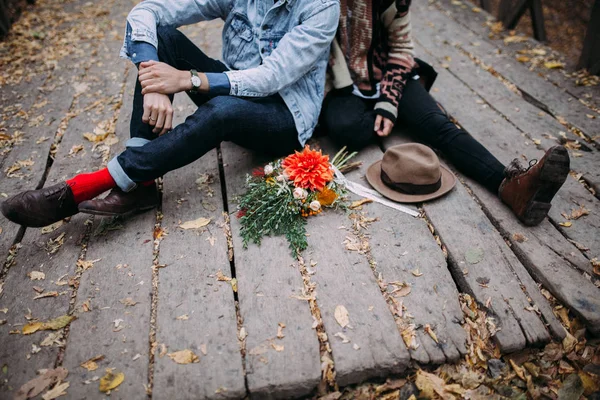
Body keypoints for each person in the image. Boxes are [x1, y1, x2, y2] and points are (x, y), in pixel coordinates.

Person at [1, 0, 340, 227]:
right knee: (162, 37)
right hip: (233, 93)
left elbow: (272, 78)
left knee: (221, 110)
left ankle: (82, 188)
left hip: (284, 117)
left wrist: (185, 79)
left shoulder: (321, 7)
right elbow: (149, 11)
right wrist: (154, 82)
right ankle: (142, 184)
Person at [320, 0, 570, 226]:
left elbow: (401, 48)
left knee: (439, 126)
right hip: (344, 86)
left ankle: (513, 187)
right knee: (345, 129)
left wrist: (389, 101)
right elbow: (317, 47)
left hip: (391, 76)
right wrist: (338, 91)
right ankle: (404, 119)